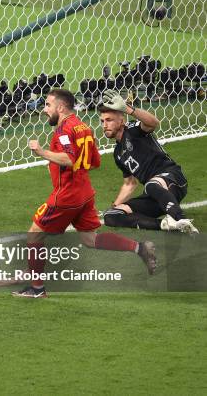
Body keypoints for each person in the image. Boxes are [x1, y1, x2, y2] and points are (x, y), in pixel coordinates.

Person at [13, 89, 157, 298]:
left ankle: (37, 289)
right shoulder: (83, 127)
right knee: (90, 239)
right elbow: (94, 162)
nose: (44, 110)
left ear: (61, 107)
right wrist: (56, 164)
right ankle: (140, 248)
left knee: (34, 234)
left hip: (67, 195)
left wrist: (42, 152)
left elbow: (70, 159)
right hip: (85, 192)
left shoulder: (63, 130)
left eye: (47, 105)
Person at [98, 89, 198, 234]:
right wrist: (115, 205)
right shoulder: (117, 153)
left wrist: (127, 108)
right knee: (111, 216)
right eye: (102, 121)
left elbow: (153, 123)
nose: (104, 125)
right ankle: (166, 225)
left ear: (121, 121)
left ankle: (180, 219)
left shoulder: (132, 129)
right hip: (155, 194)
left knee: (151, 184)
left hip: (173, 179)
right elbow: (129, 184)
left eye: (109, 120)